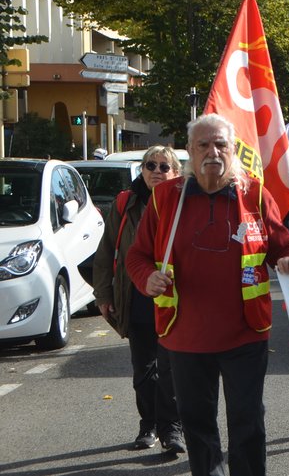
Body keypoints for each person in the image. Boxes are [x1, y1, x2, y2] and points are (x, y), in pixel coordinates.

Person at [126, 114, 289, 476]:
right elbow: (137, 256)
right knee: (198, 426)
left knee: (248, 423)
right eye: (204, 145)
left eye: (221, 144)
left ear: (233, 149)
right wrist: (147, 279)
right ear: (190, 151)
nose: (213, 152)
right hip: (185, 337)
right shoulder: (165, 198)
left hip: (245, 334)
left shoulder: (254, 193)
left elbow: (283, 247)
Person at [93, 146, 185, 454]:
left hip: (176, 300)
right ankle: (148, 426)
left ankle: (172, 429)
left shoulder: (186, 203)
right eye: (150, 165)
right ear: (142, 170)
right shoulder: (125, 204)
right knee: (144, 368)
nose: (157, 171)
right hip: (137, 298)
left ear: (176, 173)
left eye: (164, 166)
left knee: (171, 368)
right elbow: (105, 252)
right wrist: (104, 296)